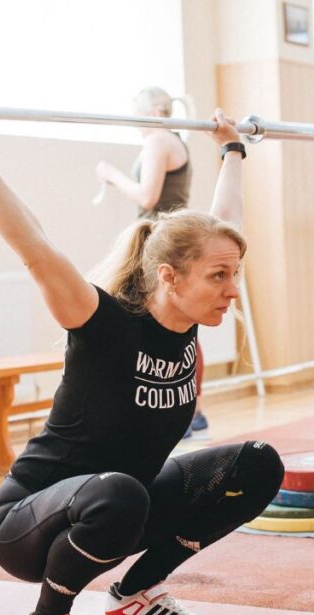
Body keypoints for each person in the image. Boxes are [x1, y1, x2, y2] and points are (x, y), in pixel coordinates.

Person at [0, 90, 284, 615]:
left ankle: (135, 596)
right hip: (33, 523)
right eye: (218, 277)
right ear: (169, 278)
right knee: (121, 492)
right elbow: (32, 244)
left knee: (255, 465)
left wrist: (231, 150)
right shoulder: (101, 323)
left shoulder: (189, 319)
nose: (231, 290)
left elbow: (224, 228)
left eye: (234, 275)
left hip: (125, 503)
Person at [95, 86, 209, 439]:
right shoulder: (172, 140)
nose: (136, 126)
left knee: (176, 323)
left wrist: (111, 175)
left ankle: (190, 408)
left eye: (138, 117)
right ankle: (186, 408)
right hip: (162, 237)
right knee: (172, 322)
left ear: (156, 113)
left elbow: (148, 196)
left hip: (163, 240)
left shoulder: (159, 140)